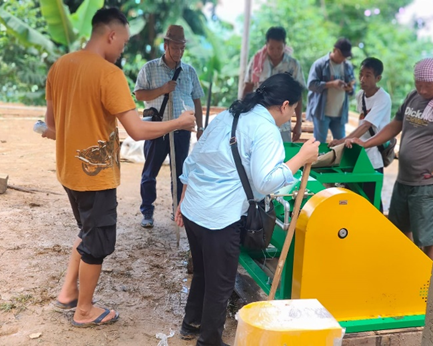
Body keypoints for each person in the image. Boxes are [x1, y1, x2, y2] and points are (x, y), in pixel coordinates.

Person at [43, 8, 195, 327]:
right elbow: (137, 131)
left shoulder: (60, 66)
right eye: (123, 43)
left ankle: (68, 292)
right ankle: (84, 310)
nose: (123, 50)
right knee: (97, 243)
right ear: (111, 35)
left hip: (68, 171)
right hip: (95, 176)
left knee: (86, 232)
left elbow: (51, 126)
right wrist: (178, 122)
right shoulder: (108, 74)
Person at [175, 73, 319, 346]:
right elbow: (265, 182)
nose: (291, 117)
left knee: (204, 272)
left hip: (195, 208)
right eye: (294, 111)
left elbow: (193, 159)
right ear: (285, 105)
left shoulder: (231, 114)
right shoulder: (265, 129)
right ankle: (209, 341)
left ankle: (191, 323)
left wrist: (183, 201)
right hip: (219, 216)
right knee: (221, 283)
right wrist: (301, 158)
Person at [346, 58, 433, 260]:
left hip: (427, 180)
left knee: (424, 238)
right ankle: (406, 266)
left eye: (428, 86)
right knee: (399, 228)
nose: (423, 90)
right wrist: (366, 143)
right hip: (404, 178)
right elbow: (394, 125)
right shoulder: (412, 97)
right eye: (419, 84)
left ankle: (426, 280)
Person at [134, 25, 204, 228]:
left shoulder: (189, 71)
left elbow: (197, 100)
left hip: (181, 131)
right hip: (157, 128)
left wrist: (200, 128)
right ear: (166, 46)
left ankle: (178, 209)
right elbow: (139, 94)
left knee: (180, 173)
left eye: (182, 48)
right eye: (175, 48)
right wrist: (163, 89)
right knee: (150, 173)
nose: (179, 52)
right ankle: (147, 211)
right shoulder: (150, 68)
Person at [329, 57, 391, 211]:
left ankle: (376, 231)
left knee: (372, 200)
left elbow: (366, 125)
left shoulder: (383, 98)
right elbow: (361, 122)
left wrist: (342, 140)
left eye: (368, 75)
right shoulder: (360, 95)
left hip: (373, 155)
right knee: (354, 197)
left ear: (378, 78)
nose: (362, 79)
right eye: (361, 74)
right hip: (358, 153)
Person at [243, 26, 306, 142]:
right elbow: (248, 88)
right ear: (266, 45)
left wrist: (298, 123)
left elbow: (298, 95)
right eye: (271, 48)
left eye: (279, 48)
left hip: (283, 123)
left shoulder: (293, 65)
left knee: (283, 153)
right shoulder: (257, 62)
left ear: (285, 45)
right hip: (259, 119)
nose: (275, 52)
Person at [307, 37, 356, 143]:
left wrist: (350, 88)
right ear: (335, 50)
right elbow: (311, 85)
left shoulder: (348, 66)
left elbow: (353, 87)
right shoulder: (320, 64)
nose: (343, 59)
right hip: (322, 112)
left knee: (341, 144)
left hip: (340, 113)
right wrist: (331, 84)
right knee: (319, 144)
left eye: (346, 57)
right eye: (342, 55)